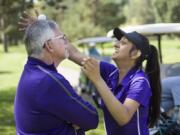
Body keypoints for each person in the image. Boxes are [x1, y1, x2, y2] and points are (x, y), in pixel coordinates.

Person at [19, 13, 161, 135]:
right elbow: (74, 53)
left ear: (135, 54)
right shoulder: (111, 73)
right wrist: (42, 32)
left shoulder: (139, 81)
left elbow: (123, 117)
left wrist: (97, 80)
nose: (116, 44)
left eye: (123, 43)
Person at [14, 19, 98, 135]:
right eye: (62, 38)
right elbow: (92, 119)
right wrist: (74, 121)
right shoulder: (49, 81)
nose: (66, 42)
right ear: (49, 45)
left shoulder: (31, 69)